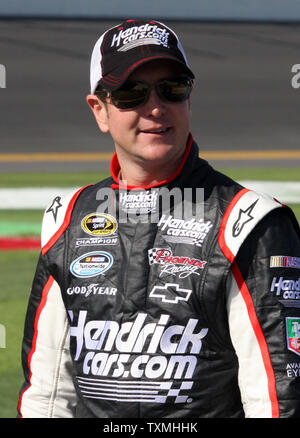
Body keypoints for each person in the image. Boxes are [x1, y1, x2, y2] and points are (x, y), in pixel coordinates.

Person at [17, 19, 300, 418]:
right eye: (131, 93)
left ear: (189, 99)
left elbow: (278, 398)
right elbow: (46, 395)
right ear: (100, 110)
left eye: (172, 89)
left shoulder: (250, 222)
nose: (155, 107)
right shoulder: (67, 219)